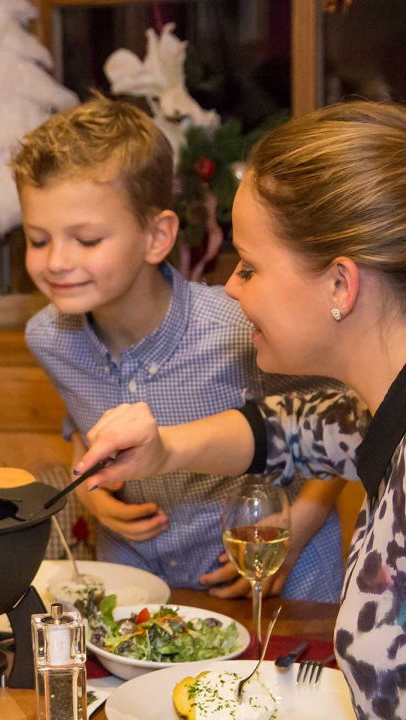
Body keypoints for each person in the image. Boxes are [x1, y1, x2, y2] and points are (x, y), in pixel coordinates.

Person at [75, 100, 406, 720]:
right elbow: (288, 429)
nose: (231, 286)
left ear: (340, 284)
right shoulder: (378, 408)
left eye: (250, 267)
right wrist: (163, 449)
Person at [11, 94, 345, 601]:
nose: (56, 261)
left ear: (157, 236)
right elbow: (81, 423)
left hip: (273, 577)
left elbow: (343, 421)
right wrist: (92, 495)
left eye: (87, 240)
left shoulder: (237, 326)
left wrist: (300, 523)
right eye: (38, 240)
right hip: (139, 581)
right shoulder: (49, 337)